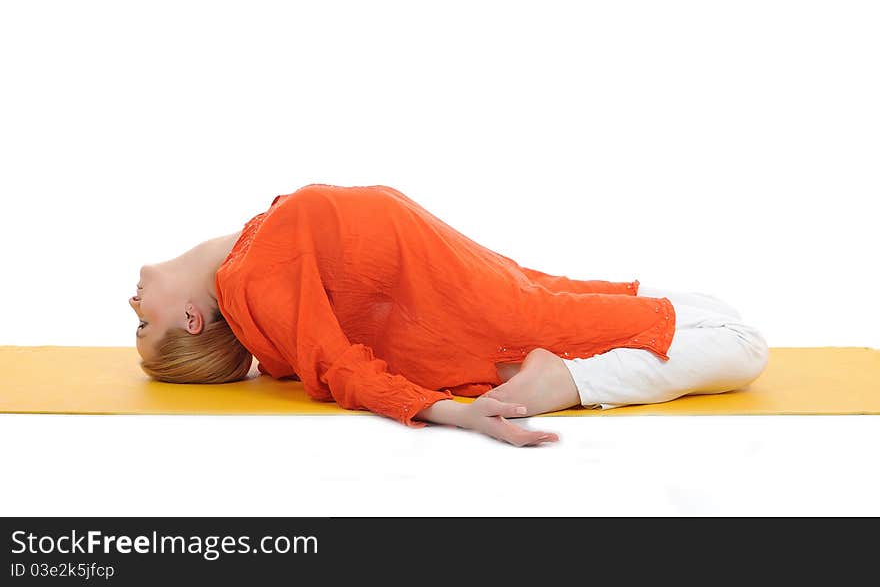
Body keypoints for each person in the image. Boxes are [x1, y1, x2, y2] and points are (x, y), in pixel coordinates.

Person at [130, 183, 769, 447]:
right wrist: (459, 414)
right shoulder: (251, 282)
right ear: (191, 319)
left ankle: (569, 375)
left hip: (487, 281)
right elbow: (341, 366)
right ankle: (566, 386)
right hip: (482, 310)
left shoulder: (250, 263)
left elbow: (300, 353)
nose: (132, 305)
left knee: (707, 310)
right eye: (140, 323)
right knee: (743, 346)